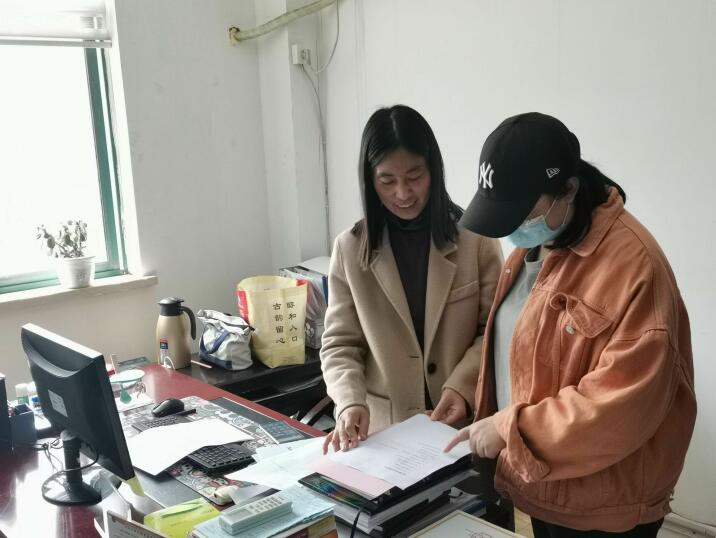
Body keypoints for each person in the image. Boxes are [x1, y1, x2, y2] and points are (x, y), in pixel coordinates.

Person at [445, 112, 696, 537]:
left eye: (520, 211)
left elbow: (618, 405)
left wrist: (510, 429)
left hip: (601, 504)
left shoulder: (637, 269)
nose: (512, 228)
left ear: (569, 189)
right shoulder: (539, 243)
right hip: (540, 481)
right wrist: (472, 399)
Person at [321, 105, 503, 454]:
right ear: (370, 180)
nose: (403, 193)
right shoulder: (350, 248)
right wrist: (349, 402)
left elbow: (495, 331)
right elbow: (340, 344)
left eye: (415, 176)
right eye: (387, 181)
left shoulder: (475, 239)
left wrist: (462, 386)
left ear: (433, 170)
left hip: (461, 425)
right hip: (383, 434)